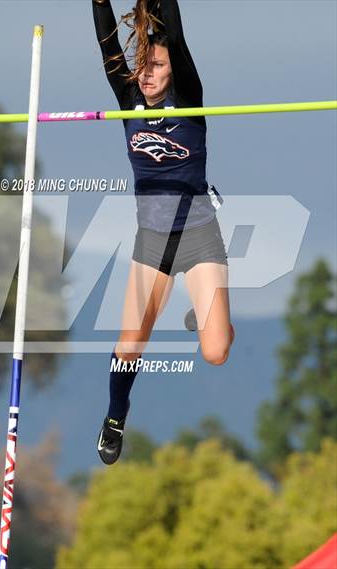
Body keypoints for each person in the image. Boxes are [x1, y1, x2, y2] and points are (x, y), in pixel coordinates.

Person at [93, 0, 235, 465]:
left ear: (175, 69)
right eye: (144, 67)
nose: (149, 73)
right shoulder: (128, 102)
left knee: (215, 351)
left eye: (159, 65)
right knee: (130, 343)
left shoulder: (189, 99)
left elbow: (174, 31)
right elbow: (107, 45)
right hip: (151, 242)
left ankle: (206, 313)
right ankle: (116, 415)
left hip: (198, 235)